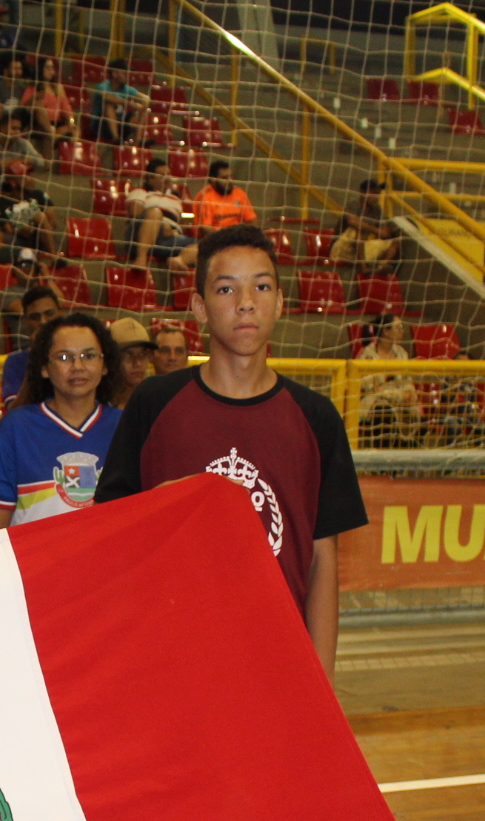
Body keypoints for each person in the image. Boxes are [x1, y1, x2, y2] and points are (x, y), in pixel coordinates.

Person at [95, 220, 368, 685]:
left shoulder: (316, 416)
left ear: (281, 301)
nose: (246, 302)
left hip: (277, 660)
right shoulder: (153, 403)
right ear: (199, 307)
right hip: (170, 660)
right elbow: (111, 533)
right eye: (226, 289)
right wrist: (165, 502)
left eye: (261, 286)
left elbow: (323, 560)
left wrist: (320, 682)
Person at [0, 313, 124, 530]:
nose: (78, 365)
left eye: (89, 355)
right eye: (64, 357)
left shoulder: (126, 427)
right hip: (36, 562)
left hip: (109, 562)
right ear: (44, 368)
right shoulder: (15, 428)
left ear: (105, 365)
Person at [0, 109, 45, 244]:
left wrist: (16, 161)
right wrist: (0, 192)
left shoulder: (24, 144)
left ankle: (34, 239)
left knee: (48, 213)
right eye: (13, 128)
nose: (16, 132)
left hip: (19, 188)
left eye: (18, 129)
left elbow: (41, 162)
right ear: (2, 128)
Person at [125, 158, 195, 270]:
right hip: (141, 236)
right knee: (155, 212)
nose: (167, 178)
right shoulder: (140, 191)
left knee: (208, 245)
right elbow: (135, 214)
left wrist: (175, 231)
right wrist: (161, 225)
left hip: (170, 238)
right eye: (162, 175)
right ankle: (141, 258)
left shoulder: (176, 197)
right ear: (149, 178)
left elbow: (188, 222)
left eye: (168, 174)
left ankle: (179, 260)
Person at [356, 317, 417, 446]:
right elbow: (366, 385)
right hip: (376, 402)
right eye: (398, 327)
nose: (402, 331)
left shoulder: (401, 353)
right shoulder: (368, 354)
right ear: (386, 331)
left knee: (418, 415)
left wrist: (410, 392)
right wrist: (387, 378)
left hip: (400, 399)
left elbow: (407, 380)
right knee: (384, 412)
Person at [2, 281, 61, 406]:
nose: (43, 322)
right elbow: (13, 413)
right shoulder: (15, 362)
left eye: (49, 314)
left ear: (61, 314)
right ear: (25, 321)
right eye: (35, 317)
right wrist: (37, 356)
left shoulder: (78, 356)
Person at [330, 178, 400, 272]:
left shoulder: (377, 210)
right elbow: (352, 221)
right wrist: (377, 231)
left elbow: (385, 231)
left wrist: (388, 232)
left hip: (359, 251)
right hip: (341, 250)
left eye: (377, 193)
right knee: (358, 230)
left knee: (395, 241)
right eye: (373, 193)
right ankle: (363, 267)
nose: (376, 197)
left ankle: (381, 266)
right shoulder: (353, 205)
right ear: (362, 192)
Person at [84, 59, 146, 147]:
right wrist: (129, 102)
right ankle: (116, 138)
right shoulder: (103, 86)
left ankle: (137, 140)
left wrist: (141, 106)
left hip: (120, 123)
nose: (127, 75)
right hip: (101, 126)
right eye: (124, 72)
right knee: (108, 105)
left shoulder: (126, 88)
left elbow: (145, 99)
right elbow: (108, 97)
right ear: (114, 73)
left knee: (137, 113)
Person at [21, 57, 75, 154]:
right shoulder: (33, 87)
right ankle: (48, 165)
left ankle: (71, 161)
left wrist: (71, 122)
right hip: (39, 123)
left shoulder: (57, 88)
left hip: (57, 123)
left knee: (76, 129)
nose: (50, 70)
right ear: (41, 68)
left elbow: (67, 108)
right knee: (40, 109)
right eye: (47, 67)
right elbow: (24, 106)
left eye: (52, 67)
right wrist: (35, 98)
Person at [193, 160, 257, 231]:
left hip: (237, 237)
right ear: (213, 179)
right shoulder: (205, 197)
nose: (230, 181)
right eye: (224, 178)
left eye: (231, 177)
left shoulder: (239, 193)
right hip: (214, 239)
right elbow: (206, 230)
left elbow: (252, 220)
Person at [109, 317, 154, 404]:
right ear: (111, 358)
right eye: (128, 355)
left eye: (142, 355)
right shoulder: (94, 406)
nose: (138, 363)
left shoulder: (155, 403)